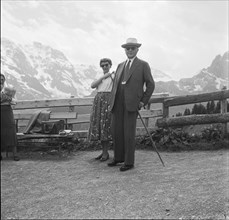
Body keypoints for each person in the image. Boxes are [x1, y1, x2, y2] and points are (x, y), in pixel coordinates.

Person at [108, 38, 155, 171]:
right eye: (127, 48)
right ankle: (118, 158)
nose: (129, 50)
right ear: (125, 50)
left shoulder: (143, 65)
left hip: (132, 104)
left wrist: (142, 101)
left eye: (132, 48)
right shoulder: (120, 65)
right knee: (117, 131)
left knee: (128, 133)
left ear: (137, 49)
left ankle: (129, 162)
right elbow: (115, 85)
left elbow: (151, 84)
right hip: (117, 103)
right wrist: (111, 101)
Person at [87, 58, 114, 161]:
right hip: (99, 102)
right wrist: (104, 76)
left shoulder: (114, 76)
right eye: (102, 65)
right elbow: (92, 85)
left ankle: (106, 153)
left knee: (106, 126)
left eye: (106, 65)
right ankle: (104, 152)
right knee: (100, 127)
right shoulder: (101, 77)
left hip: (107, 102)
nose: (104, 67)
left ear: (110, 65)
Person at [0, 73, 20, 161]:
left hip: (7, 112)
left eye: (2, 79)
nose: (1, 81)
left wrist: (8, 99)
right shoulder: (4, 92)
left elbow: (15, 101)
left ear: (4, 80)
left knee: (11, 131)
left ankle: (15, 154)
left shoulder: (8, 89)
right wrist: (6, 99)